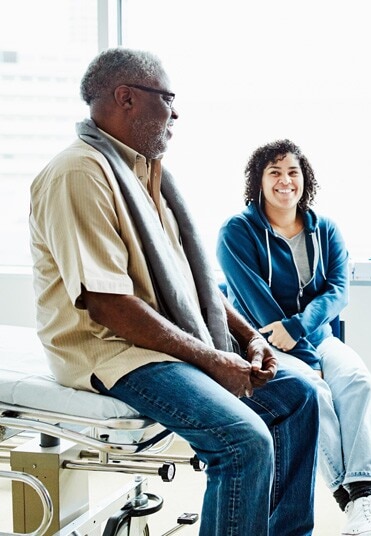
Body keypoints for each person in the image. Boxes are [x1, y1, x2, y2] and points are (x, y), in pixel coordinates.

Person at [28, 48, 319, 536]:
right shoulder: (79, 173)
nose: (176, 112)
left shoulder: (151, 178)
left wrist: (251, 339)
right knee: (242, 441)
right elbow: (108, 304)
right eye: (167, 98)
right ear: (126, 98)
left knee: (299, 396)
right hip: (112, 351)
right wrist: (210, 359)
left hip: (160, 342)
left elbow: (194, 284)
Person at [216, 139, 371, 536]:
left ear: (305, 180)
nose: (286, 181)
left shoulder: (325, 229)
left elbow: (338, 290)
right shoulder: (237, 232)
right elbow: (254, 303)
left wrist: (302, 332)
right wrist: (301, 352)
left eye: (293, 172)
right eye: (275, 172)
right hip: (261, 343)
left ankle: (367, 499)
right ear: (259, 181)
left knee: (357, 382)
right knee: (313, 392)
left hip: (317, 337)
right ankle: (349, 500)